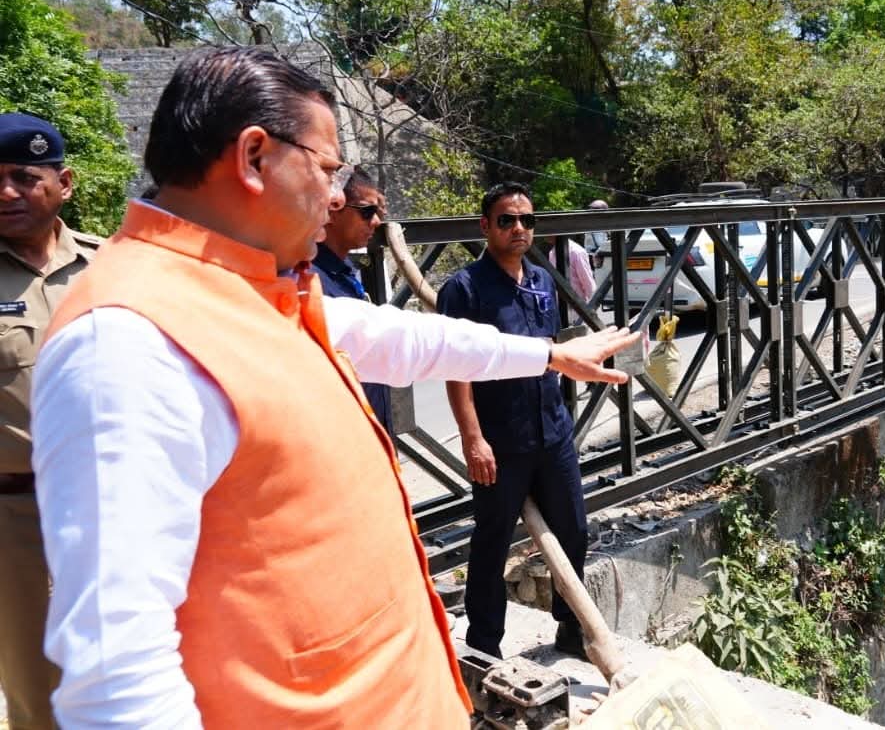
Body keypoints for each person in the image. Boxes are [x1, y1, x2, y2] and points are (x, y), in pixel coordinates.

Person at [30, 47, 638, 729]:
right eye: (326, 169)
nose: (340, 197)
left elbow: (401, 339)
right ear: (254, 157)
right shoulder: (126, 343)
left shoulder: (257, 289)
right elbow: (118, 681)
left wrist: (551, 355)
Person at [437, 183, 590, 661]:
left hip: (552, 432)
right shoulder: (464, 289)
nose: (519, 228)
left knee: (574, 530)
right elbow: (456, 370)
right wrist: (473, 439)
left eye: (527, 220)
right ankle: (484, 647)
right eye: (507, 220)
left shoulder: (542, 280)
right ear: (486, 227)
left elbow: (550, 352)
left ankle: (571, 628)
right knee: (492, 542)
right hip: (500, 441)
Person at [0, 113, 97, 730]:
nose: (6, 192)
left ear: (63, 183)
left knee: (132, 669)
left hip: (112, 504)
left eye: (23, 177)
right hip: (16, 521)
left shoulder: (109, 265)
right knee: (39, 693)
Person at [313, 165, 393, 430]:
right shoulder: (310, 281)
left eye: (378, 213)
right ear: (332, 208)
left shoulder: (344, 273)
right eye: (367, 212)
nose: (376, 222)